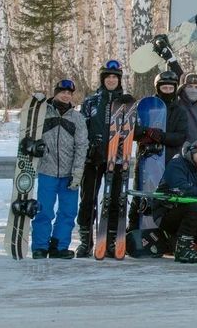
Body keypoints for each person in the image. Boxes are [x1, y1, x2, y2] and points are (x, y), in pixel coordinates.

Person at [75, 60, 134, 258]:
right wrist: (90, 146)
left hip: (117, 159)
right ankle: (86, 241)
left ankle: (110, 241)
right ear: (102, 79)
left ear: (119, 80)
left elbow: (136, 128)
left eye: (114, 77)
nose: (111, 80)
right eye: (108, 77)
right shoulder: (91, 101)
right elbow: (81, 128)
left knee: (115, 199)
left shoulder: (127, 103)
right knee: (88, 199)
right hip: (94, 159)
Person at [31, 80, 88, 259]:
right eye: (62, 92)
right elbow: (28, 127)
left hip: (69, 173)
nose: (65, 95)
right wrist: (35, 102)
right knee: (44, 210)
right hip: (47, 170)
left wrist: (77, 172)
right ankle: (40, 246)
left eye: (69, 93)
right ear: (55, 93)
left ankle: (59, 246)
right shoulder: (42, 113)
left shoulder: (77, 118)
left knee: (68, 211)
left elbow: (81, 146)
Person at [127, 71, 190, 232]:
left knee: (166, 197)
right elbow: (131, 130)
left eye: (170, 88)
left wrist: (160, 136)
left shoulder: (180, 111)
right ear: (158, 88)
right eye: (164, 87)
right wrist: (146, 132)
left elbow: (181, 136)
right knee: (141, 194)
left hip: (169, 159)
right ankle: (134, 230)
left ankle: (165, 233)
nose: (167, 90)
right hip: (146, 159)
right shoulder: (146, 107)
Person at [176, 73, 197, 143]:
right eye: (190, 86)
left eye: (196, 87)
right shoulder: (176, 108)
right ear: (182, 89)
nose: (193, 90)